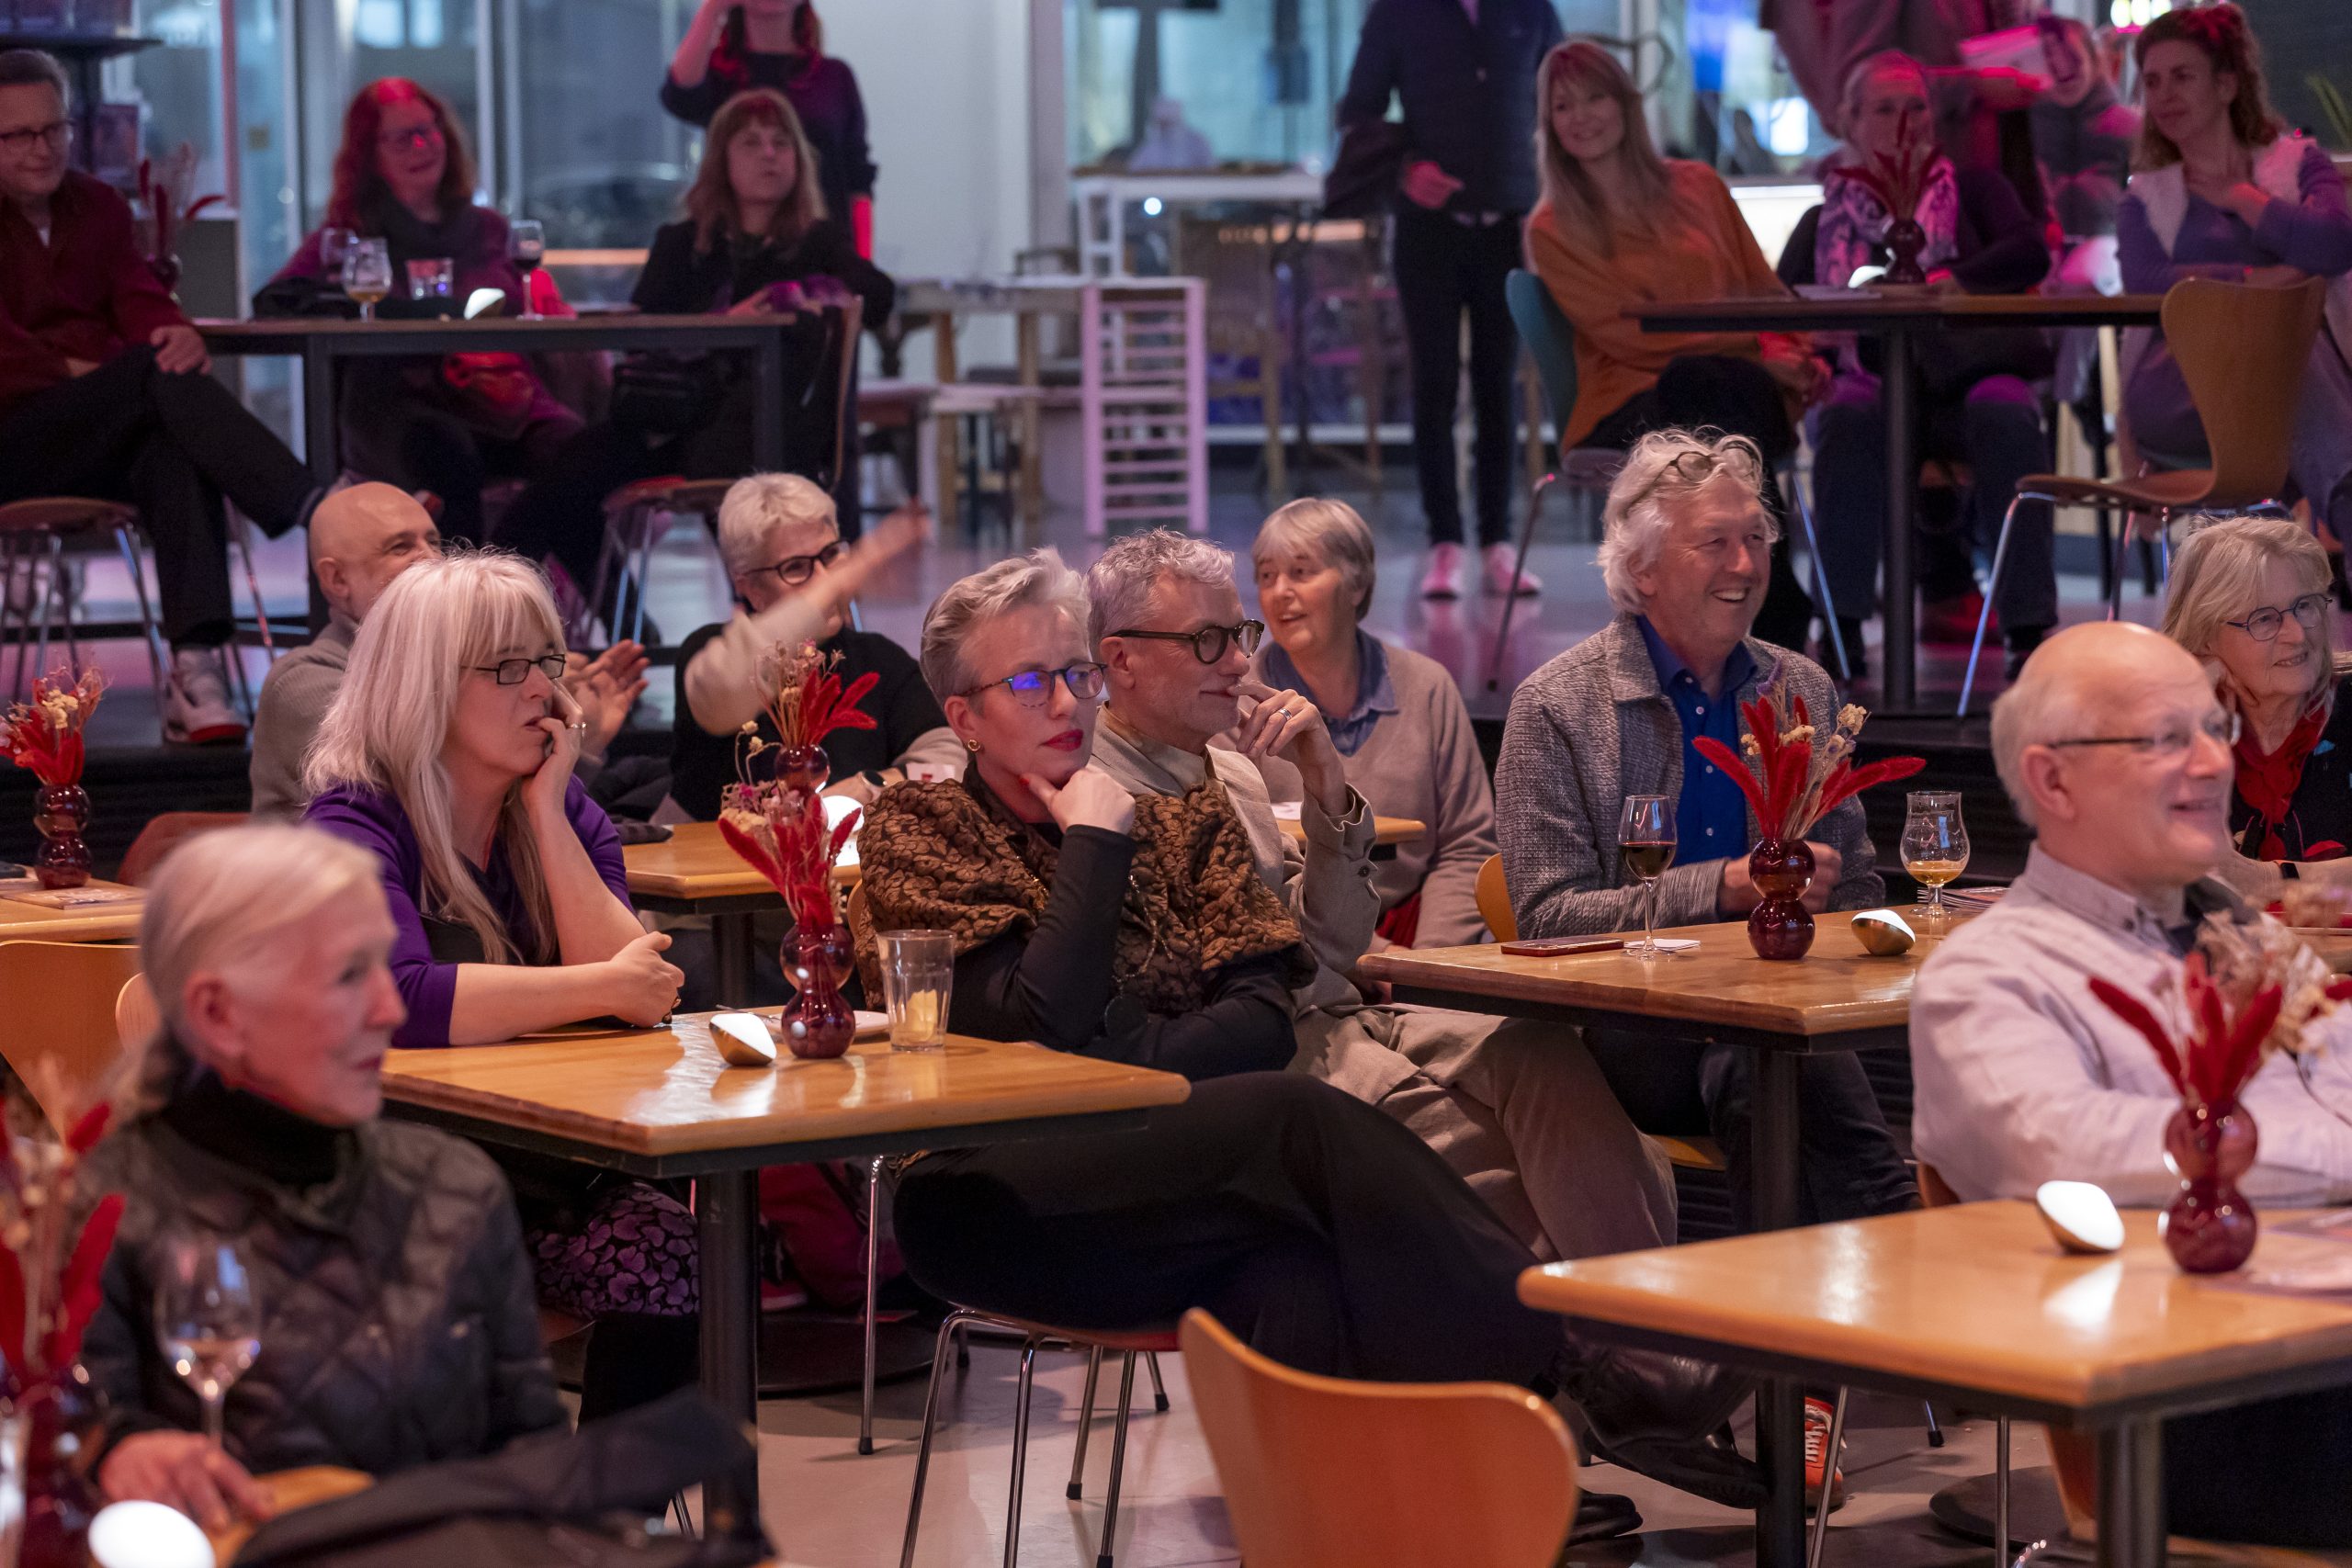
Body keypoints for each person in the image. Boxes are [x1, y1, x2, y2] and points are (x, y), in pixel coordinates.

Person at [858, 551, 1754, 1539]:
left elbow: (1260, 1007)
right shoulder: (922, 829)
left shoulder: (1185, 810)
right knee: (1298, 1117)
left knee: (1293, 1263)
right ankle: (1588, 1369)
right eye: (1031, 683)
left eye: (1074, 673)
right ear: (964, 717)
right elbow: (1040, 1029)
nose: (1069, 701)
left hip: (1155, 1169)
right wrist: (1096, 847)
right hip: (989, 1192)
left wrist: (1131, 1047)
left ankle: (1433, 1503)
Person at [1913, 619, 2352, 1549]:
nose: (2213, 762)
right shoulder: (1990, 977)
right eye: (2164, 738)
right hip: (2212, 1407)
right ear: (2052, 780)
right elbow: (2070, 1154)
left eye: (2215, 728)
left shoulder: (2241, 931)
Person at [82, 823, 564, 1529]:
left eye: (385, 965)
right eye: (348, 975)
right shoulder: (93, 1212)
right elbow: (62, 1451)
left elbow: (537, 1455)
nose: (391, 1008)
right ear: (218, 1013)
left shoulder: (455, 1186)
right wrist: (112, 1455)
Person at [1496, 430, 1917, 1231]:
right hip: (1627, 1030)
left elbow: (1859, 883)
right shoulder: (1558, 706)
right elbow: (1547, 918)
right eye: (1714, 543)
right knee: (1760, 1052)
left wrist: (1835, 899)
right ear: (1642, 568)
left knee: (1772, 1051)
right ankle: (1897, 1243)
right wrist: (1719, 888)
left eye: (1757, 538)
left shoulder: (1799, 687)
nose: (1746, 565)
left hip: (1779, 1013)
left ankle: (1807, 1290)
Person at [0, 49, 322, 745]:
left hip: (98, 434)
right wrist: (117, 366)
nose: (42, 148)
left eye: (54, 129)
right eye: (18, 135)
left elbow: (138, 297)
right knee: (151, 376)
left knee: (170, 445)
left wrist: (171, 332)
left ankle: (195, 666)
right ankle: (315, 509)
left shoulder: (97, 204)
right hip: (12, 442)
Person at [496, 88, 894, 606]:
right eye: (751, 143)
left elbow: (880, 299)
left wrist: (804, 292)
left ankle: (759, 628)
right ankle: (506, 620)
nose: (769, 155)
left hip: (763, 436)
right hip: (667, 419)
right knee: (556, 491)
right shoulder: (681, 243)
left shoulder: (817, 243)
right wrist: (724, 323)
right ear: (721, 160)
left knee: (732, 490)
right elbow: (642, 336)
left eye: (781, 143)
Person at [1522, 39, 1823, 651]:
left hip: (1736, 389)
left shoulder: (1700, 185)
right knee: (1702, 380)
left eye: (1595, 98)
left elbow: (1761, 289)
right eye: (1562, 106)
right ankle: (1774, 595)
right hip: (1626, 405)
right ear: (1548, 124)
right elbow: (1629, 334)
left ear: (1625, 104)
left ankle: (1759, 597)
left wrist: (1791, 352)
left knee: (1717, 385)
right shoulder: (1552, 228)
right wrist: (1759, 358)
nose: (1581, 117)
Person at [1806, 50, 2055, 679]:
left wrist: (1951, 280)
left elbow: (2029, 252)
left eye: (1915, 106)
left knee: (2006, 409)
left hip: (1968, 378)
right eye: (1884, 108)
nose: (1903, 122)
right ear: (1849, 121)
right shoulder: (1824, 217)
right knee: (1846, 414)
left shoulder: (1977, 190)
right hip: (1873, 389)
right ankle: (1841, 629)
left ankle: (2028, 631)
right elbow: (1788, 303)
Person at [264, 79, 584, 547]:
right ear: (369, 156)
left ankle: (520, 568)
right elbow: (274, 301)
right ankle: (464, 590)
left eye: (428, 131)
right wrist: (364, 307)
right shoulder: (352, 236)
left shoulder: (490, 230)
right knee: (447, 453)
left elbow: (531, 312)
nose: (421, 147)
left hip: (496, 399)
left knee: (579, 453)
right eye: (401, 138)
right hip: (398, 407)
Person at [250, 485, 646, 823]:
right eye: (401, 547)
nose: (432, 559)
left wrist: (580, 739)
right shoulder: (306, 681)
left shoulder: (455, 669)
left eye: (434, 541)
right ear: (338, 579)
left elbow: (501, 828)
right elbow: (432, 807)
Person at [1337, 0, 1559, 601]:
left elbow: (1564, 97)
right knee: (1434, 385)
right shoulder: (1398, 11)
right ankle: (1444, 543)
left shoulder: (1530, 9)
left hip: (1510, 227)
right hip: (1427, 230)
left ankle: (1498, 543)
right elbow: (1357, 111)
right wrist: (1406, 170)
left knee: (1497, 385)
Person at [2117, 5, 2352, 550]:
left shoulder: (2299, 163)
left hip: (2283, 393)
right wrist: (2263, 279)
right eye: (2152, 81)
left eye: (2182, 76)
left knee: (2283, 354)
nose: (2164, 95)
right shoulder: (2146, 198)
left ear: (2226, 85)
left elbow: (2337, 243)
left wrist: (2245, 200)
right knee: (2285, 350)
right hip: (2180, 389)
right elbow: (2150, 280)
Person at [1248, 497, 1496, 948]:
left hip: (1421, 931)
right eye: (1267, 576)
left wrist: (1428, 962)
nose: (1280, 591)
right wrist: (1370, 958)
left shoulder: (1427, 686)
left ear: (1357, 584)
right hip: (1300, 940)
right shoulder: (1243, 700)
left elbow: (1468, 845)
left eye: (1300, 572)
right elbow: (1250, 868)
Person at [670, 473, 953, 820]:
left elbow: (948, 764)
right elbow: (725, 691)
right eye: (796, 567)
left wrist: (867, 788)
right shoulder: (708, 653)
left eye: (831, 555)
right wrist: (844, 577)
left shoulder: (878, 659)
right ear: (750, 587)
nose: (824, 580)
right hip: (716, 853)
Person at [2163, 513, 2352, 892]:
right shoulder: (2180, 727)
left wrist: (2270, 879)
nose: (2296, 634)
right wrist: (2190, 686)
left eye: (2305, 606)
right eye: (2264, 620)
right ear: (2204, 634)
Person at [662, 0, 874, 258]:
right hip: (735, 249)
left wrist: (862, 261)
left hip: (822, 248)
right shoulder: (720, 73)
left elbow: (858, 177)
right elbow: (680, 94)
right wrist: (713, 8)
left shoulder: (834, 76)